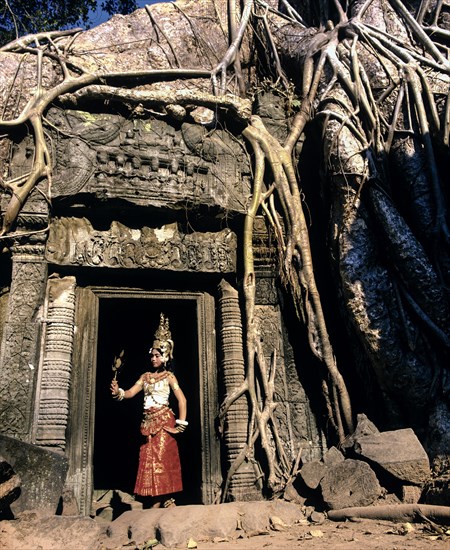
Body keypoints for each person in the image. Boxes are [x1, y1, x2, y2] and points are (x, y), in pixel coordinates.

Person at [110, 313, 187, 508]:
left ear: (165, 356)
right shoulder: (144, 377)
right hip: (148, 423)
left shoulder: (169, 377)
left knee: (162, 459)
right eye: (152, 355)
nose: (153, 358)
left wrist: (181, 424)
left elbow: (182, 400)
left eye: (157, 355)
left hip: (164, 422)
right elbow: (129, 393)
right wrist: (118, 391)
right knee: (149, 460)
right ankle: (158, 499)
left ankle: (162, 499)